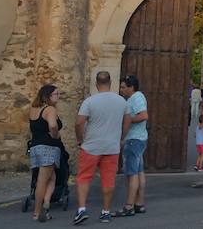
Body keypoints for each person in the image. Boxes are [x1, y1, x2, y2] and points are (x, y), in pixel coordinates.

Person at [73, 71, 127, 225]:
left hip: (91, 145)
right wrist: (122, 136)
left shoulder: (89, 102)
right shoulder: (121, 101)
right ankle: (106, 212)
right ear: (110, 83)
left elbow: (79, 122)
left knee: (84, 177)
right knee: (108, 179)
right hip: (111, 147)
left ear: (96, 84)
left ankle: (82, 209)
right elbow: (127, 119)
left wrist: (79, 138)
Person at [28, 84, 63, 222]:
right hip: (48, 146)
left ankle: (47, 202)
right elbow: (53, 126)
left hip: (36, 146)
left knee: (52, 177)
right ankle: (37, 212)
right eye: (56, 94)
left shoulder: (33, 109)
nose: (58, 96)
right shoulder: (50, 109)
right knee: (42, 181)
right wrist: (55, 135)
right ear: (48, 96)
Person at [115, 75, 149, 218]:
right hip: (138, 139)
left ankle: (129, 206)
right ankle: (139, 204)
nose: (121, 89)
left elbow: (144, 115)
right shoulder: (133, 99)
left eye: (123, 87)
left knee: (131, 173)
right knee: (139, 172)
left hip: (133, 140)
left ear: (131, 87)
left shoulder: (136, 98)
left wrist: (127, 121)